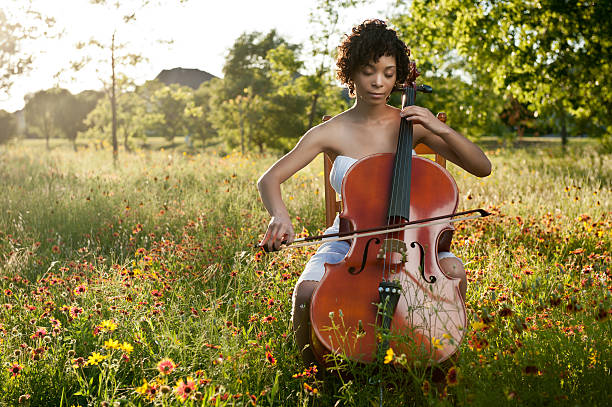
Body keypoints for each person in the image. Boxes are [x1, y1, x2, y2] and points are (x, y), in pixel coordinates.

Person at [257, 19, 491, 366]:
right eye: (368, 71)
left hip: (414, 241)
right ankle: (311, 374)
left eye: (388, 72)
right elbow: (269, 179)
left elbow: (481, 166)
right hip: (349, 239)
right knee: (307, 291)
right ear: (350, 74)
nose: (379, 82)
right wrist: (280, 215)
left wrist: (438, 127)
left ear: (399, 77)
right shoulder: (330, 131)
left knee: (453, 272)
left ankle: (440, 365)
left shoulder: (411, 126)